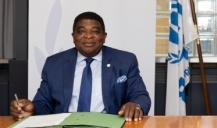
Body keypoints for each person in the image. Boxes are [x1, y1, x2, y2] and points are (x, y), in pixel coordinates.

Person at [10, 12, 151, 122]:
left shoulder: (125, 61)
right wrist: (32, 109)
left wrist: (136, 105)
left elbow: (140, 95)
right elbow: (43, 103)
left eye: (95, 31)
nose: (88, 36)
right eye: (81, 31)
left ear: (104, 36)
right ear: (73, 36)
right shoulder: (54, 64)